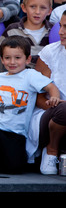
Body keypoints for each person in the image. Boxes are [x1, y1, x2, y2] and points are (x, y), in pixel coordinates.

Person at [0, 36, 60, 174]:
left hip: (15, 130)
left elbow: (51, 87)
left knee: (15, 168)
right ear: (2, 60)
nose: (12, 62)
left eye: (17, 58)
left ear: (27, 59)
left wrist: (54, 97)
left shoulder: (30, 75)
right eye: (7, 58)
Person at [32, 10, 66, 174]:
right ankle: (51, 149)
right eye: (60, 26)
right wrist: (54, 105)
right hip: (50, 113)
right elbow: (37, 98)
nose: (60, 32)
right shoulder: (49, 52)